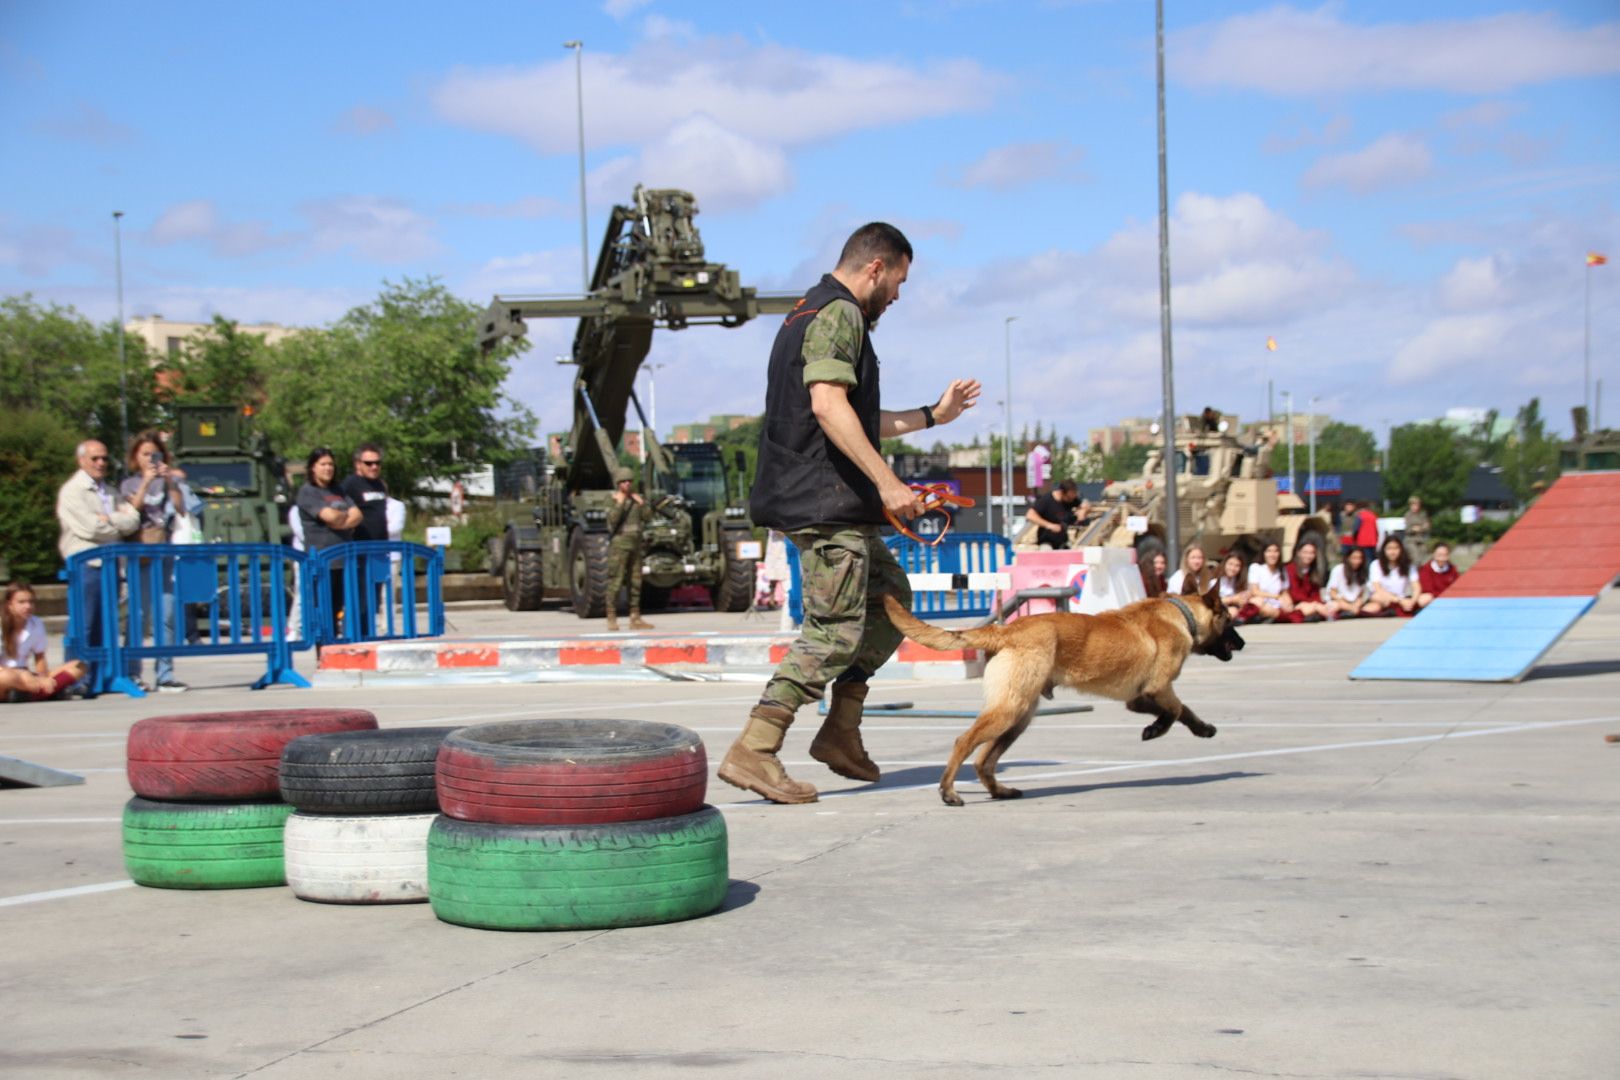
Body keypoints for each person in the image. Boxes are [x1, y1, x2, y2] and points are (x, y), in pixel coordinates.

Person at [719, 221, 982, 805]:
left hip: (826, 499)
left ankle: (840, 730)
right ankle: (755, 750)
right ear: (875, 268)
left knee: (890, 603)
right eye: (899, 282)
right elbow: (829, 403)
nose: (898, 295)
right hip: (822, 503)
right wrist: (888, 484)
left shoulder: (809, 313)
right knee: (834, 633)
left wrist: (933, 416)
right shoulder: (840, 314)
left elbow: (851, 417)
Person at [57, 439, 140, 688]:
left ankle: (98, 678)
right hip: (86, 564)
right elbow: (90, 527)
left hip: (110, 564)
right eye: (95, 458)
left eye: (104, 458)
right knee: (84, 624)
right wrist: (117, 522)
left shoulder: (110, 491)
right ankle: (74, 679)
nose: (101, 463)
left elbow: (133, 520)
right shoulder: (73, 491)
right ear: (81, 461)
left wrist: (110, 519)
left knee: (105, 625)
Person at [118, 430, 192, 693]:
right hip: (140, 555)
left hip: (165, 552)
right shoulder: (128, 484)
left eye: (154, 454)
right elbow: (131, 511)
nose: (150, 459)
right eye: (145, 454)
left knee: (168, 614)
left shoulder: (169, 480)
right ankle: (132, 672)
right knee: (138, 615)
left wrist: (170, 480)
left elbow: (181, 509)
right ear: (135, 458)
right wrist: (146, 482)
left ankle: (165, 674)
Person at [297, 447, 362, 636]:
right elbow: (329, 516)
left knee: (344, 607)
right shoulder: (308, 492)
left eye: (331, 464)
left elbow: (357, 515)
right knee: (324, 612)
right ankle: (324, 651)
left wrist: (341, 520)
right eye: (323, 464)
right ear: (312, 468)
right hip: (323, 560)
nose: (328, 468)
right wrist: (344, 519)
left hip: (345, 559)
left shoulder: (338, 489)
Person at [1, 582, 87, 702]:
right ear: (9, 605)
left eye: (31, 602)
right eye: (21, 602)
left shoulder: (36, 623)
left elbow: (40, 657)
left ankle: (29, 694)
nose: (28, 606)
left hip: (27, 675)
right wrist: (23, 675)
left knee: (79, 665)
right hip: (7, 673)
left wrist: (42, 678)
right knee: (4, 677)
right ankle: (50, 692)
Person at [340, 443, 390, 634]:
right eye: (369, 463)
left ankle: (368, 636)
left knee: (373, 600)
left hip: (378, 551)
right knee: (358, 600)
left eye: (377, 463)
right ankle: (354, 637)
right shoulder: (350, 484)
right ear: (357, 464)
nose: (374, 467)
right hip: (359, 551)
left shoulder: (379, 484)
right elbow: (340, 509)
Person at [604, 467, 658, 633]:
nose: (627, 484)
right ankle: (611, 617)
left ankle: (635, 617)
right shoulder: (612, 499)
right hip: (619, 547)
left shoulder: (637, 499)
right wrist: (620, 503)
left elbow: (649, 518)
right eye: (624, 481)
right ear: (618, 483)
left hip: (635, 546)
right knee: (616, 582)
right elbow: (611, 522)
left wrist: (642, 504)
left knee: (635, 583)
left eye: (629, 481)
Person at [1365, 535, 1418, 616]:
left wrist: (1412, 601)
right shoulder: (1376, 564)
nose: (1393, 552)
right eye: (1389, 548)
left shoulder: (1408, 565)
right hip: (1384, 598)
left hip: (1401, 597)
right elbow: (1377, 588)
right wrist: (1400, 600)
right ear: (1384, 550)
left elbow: (1416, 586)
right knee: (1375, 601)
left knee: (1425, 598)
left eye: (1396, 548)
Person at [1283, 540, 1331, 622]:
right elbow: (1294, 594)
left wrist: (1316, 604)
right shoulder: (1289, 569)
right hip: (1296, 605)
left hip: (1310, 604)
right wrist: (1314, 605)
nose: (1308, 556)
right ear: (1298, 553)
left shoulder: (1314, 571)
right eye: (1305, 552)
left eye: (1311, 553)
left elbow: (1316, 594)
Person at [1245, 541, 1292, 622]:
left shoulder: (1282, 570)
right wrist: (1276, 596)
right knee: (1258, 603)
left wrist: (1289, 603)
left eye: (1275, 551)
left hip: (1276, 604)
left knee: (1289, 608)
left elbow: (1284, 592)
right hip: (1261, 602)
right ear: (1264, 553)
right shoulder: (1256, 568)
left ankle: (1274, 616)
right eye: (1269, 551)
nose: (1272, 554)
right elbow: (1255, 591)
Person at [1024, 479, 1079, 549]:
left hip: (1063, 541)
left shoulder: (1071, 500)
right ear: (1062, 492)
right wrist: (1049, 525)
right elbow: (1030, 515)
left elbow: (1084, 506)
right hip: (1047, 541)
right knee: (1046, 551)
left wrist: (1082, 511)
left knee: (1072, 553)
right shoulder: (1047, 500)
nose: (1071, 500)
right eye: (1068, 498)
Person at [1326, 546, 1371, 619]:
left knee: (1374, 607)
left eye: (1359, 558)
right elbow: (1332, 593)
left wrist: (1357, 603)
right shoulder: (1338, 569)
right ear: (1348, 558)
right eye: (1354, 558)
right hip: (1339, 601)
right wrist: (1348, 606)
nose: (1357, 561)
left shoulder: (1362, 572)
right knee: (1333, 607)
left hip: (1354, 602)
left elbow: (1361, 594)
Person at [1416, 540, 1459, 609]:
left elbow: (1457, 587)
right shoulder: (1426, 569)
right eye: (1439, 555)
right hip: (1434, 598)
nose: (1442, 558)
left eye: (1445, 555)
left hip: (1448, 598)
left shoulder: (1452, 569)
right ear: (1433, 554)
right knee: (1424, 599)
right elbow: (1428, 589)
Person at [1214, 551, 1250, 619]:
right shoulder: (1215, 581)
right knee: (1233, 611)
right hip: (1219, 610)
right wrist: (1233, 599)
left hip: (1235, 609)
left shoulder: (1239, 581)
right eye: (1230, 564)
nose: (1233, 568)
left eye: (1237, 566)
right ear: (1225, 564)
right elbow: (1213, 602)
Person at [1350, 499, 1380, 564]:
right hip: (1372, 541)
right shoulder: (1373, 515)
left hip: (1362, 542)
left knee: (1365, 560)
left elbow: (1356, 529)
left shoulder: (1360, 516)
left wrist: (1354, 539)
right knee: (1372, 559)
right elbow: (1376, 529)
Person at [1404, 495, 1431, 562]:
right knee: (1416, 558)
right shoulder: (1408, 515)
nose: (1415, 507)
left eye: (1417, 505)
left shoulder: (1422, 514)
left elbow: (1427, 526)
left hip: (1421, 539)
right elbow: (1408, 529)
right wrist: (1418, 528)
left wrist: (1419, 528)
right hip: (1411, 540)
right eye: (1414, 505)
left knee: (1425, 556)